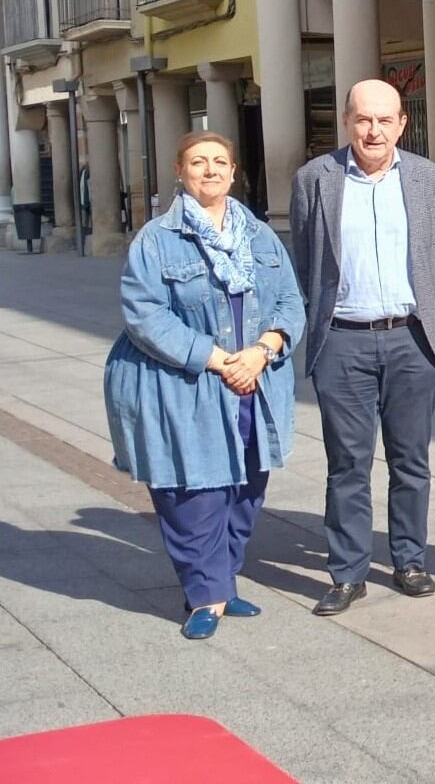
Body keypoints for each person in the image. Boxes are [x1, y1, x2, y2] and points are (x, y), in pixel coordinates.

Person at [104, 132, 305, 640]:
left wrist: (262, 351)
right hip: (187, 384)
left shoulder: (260, 235)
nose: (210, 170)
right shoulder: (156, 239)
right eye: (198, 162)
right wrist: (217, 360)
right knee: (193, 493)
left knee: (244, 488)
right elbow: (144, 316)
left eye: (220, 162)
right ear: (180, 170)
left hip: (254, 381)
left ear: (235, 172)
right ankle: (204, 595)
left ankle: (223, 578)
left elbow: (289, 302)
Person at [291, 79, 435, 615]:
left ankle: (409, 560)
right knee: (347, 463)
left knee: (411, 460)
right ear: (347, 122)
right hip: (343, 342)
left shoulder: (429, 179)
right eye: (363, 119)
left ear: (403, 124)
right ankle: (347, 572)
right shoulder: (315, 179)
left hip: (410, 338)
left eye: (385, 120)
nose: (374, 130)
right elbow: (305, 261)